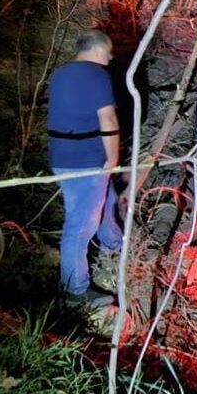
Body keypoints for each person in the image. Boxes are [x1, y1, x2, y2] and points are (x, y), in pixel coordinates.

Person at [47, 29, 122, 307]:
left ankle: (115, 246)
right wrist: (113, 158)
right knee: (79, 226)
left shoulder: (60, 74)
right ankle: (75, 291)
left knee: (107, 200)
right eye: (109, 52)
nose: (111, 57)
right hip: (87, 161)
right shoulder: (96, 75)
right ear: (98, 49)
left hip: (63, 156)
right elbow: (108, 118)